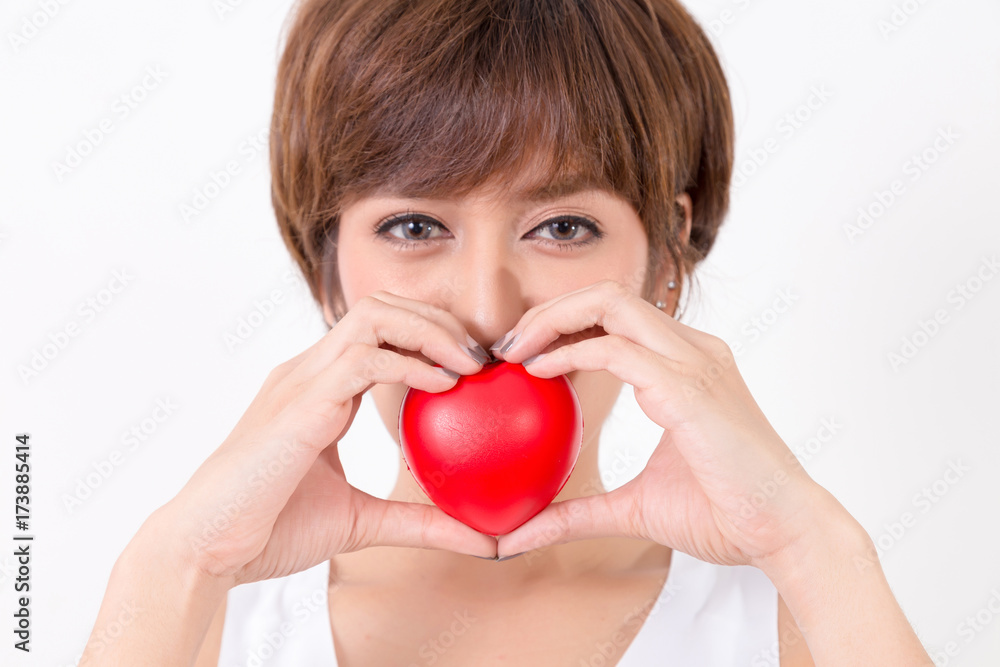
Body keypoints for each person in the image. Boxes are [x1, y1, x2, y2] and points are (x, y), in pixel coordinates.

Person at [80, 0, 934, 664]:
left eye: (562, 227)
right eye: (415, 226)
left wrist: (814, 545)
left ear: (665, 258)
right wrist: (173, 561)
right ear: (327, 270)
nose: (488, 312)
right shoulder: (201, 618)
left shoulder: (797, 625)